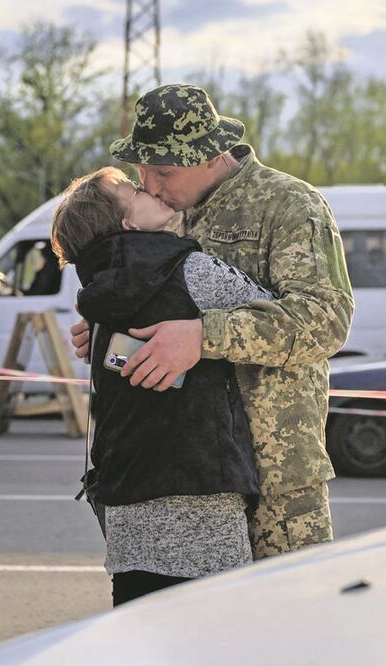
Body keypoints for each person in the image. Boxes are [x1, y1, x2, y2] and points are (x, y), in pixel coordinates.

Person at [70, 84, 355, 560]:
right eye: (141, 172)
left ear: (211, 155)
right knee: (194, 630)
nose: (151, 185)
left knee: (286, 622)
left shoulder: (288, 204)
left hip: (275, 477)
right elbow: (156, 313)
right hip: (191, 476)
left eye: (162, 171)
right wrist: (111, 336)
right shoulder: (162, 215)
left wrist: (204, 337)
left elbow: (325, 319)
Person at [52, 166, 267, 605]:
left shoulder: (97, 298)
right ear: (128, 223)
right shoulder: (192, 271)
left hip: (128, 508)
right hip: (204, 506)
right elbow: (280, 318)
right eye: (134, 190)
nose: (148, 188)